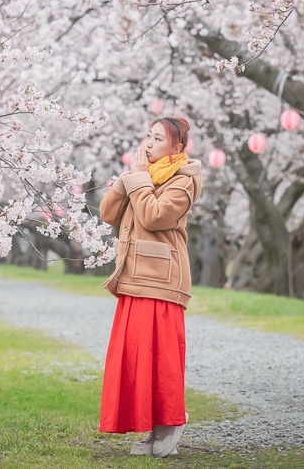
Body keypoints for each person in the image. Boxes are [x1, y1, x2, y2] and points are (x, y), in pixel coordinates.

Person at [98, 116, 202, 458]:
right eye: (149, 136)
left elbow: (154, 216)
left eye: (158, 139)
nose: (149, 143)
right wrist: (128, 178)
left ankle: (171, 421)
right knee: (135, 357)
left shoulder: (185, 180)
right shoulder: (142, 176)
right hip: (133, 275)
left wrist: (138, 180)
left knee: (161, 356)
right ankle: (150, 426)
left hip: (161, 279)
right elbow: (108, 214)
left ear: (177, 148)